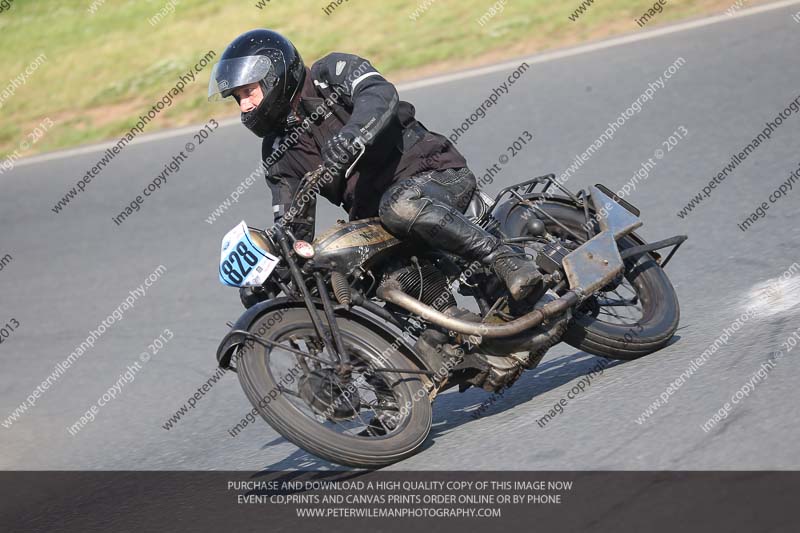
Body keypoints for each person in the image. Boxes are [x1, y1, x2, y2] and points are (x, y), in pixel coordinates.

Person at [208, 29, 541, 300]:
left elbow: (379, 93)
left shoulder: (330, 73)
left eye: (249, 92)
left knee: (400, 206)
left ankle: (503, 258)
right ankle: (446, 336)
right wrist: (269, 269)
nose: (245, 105)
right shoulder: (278, 151)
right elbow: (293, 220)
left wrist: (352, 136)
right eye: (238, 98)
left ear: (275, 77)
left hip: (432, 174)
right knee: (349, 269)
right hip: (376, 219)